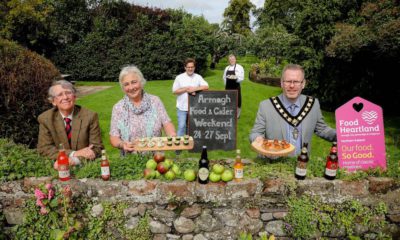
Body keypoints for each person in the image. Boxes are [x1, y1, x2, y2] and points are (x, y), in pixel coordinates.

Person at [249, 64, 336, 155]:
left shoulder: (312, 104)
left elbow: (322, 129)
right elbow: (256, 132)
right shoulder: (266, 106)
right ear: (282, 83)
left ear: (303, 84)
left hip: (302, 163)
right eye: (288, 81)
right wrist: (257, 138)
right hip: (273, 163)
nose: (292, 85)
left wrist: (344, 135)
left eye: (296, 82)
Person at [110, 65, 176, 155]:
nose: (131, 87)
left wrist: (172, 135)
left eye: (134, 82)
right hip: (130, 161)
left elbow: (166, 122)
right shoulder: (118, 108)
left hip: (156, 159)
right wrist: (122, 144)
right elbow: (114, 136)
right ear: (123, 88)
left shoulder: (155, 101)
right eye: (126, 84)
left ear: (141, 82)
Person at [38, 80, 103, 168]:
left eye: (68, 93)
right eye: (60, 94)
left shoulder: (90, 116)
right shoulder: (46, 119)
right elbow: (45, 149)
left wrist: (75, 160)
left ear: (74, 97)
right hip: (58, 167)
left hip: (86, 167)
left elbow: (97, 148)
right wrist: (74, 153)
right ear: (53, 101)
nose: (65, 97)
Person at [172, 58, 209, 137]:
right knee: (182, 126)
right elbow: (174, 91)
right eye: (188, 67)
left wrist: (194, 88)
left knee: (192, 127)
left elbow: (206, 86)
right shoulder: (179, 77)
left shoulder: (198, 77)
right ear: (185, 67)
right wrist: (186, 89)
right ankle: (178, 147)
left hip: (194, 107)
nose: (190, 69)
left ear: (194, 67)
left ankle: (190, 145)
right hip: (182, 107)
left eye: (192, 67)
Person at [223, 54, 244, 118]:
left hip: (236, 86)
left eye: (233, 59)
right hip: (228, 87)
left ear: (235, 59)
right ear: (229, 61)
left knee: (237, 101)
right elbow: (224, 77)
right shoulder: (227, 68)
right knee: (228, 100)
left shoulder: (239, 67)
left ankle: (237, 115)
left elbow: (242, 77)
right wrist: (225, 84)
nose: (231, 60)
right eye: (230, 60)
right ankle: (229, 113)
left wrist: (236, 78)